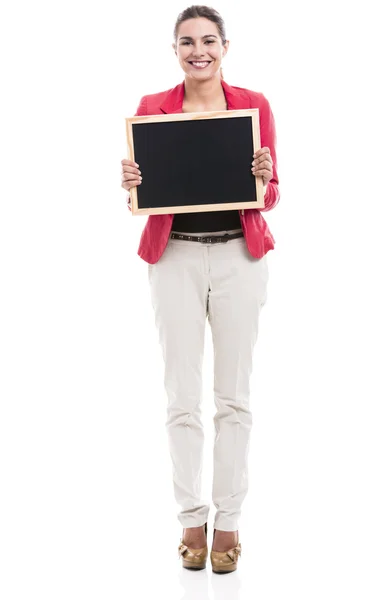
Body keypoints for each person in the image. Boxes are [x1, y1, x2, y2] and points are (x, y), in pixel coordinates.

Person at [120, 5, 279, 574]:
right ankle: (191, 518)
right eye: (186, 42)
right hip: (175, 258)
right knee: (180, 399)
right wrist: (132, 183)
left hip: (240, 257)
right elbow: (144, 194)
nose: (198, 50)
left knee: (233, 399)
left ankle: (229, 524)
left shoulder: (253, 106)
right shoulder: (151, 109)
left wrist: (264, 175)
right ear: (175, 50)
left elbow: (272, 193)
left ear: (225, 47)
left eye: (208, 40)